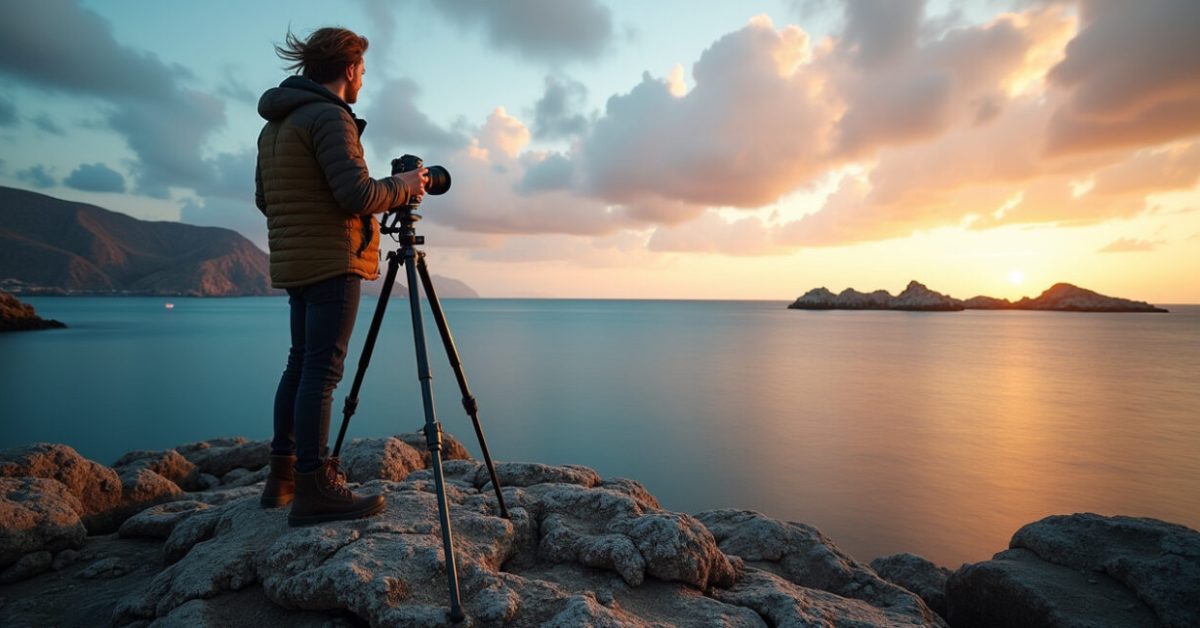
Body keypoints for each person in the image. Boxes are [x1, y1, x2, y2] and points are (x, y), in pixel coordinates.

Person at [254, 27, 428, 526]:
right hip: (332, 261)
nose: (364, 80)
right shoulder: (331, 118)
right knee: (323, 373)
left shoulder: (275, 126)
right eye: (364, 71)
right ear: (349, 69)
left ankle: (282, 478)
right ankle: (315, 488)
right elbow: (356, 195)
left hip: (296, 261)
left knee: (300, 365)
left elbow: (265, 199)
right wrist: (404, 185)